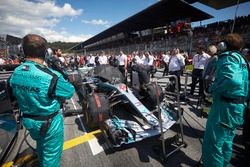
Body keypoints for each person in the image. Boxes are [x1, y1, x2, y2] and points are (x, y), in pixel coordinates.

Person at [10, 34, 75, 167]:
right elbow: (69, 91)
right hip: (49, 123)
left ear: (23, 50)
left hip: (28, 121)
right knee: (51, 158)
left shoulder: (15, 72)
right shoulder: (52, 76)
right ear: (46, 53)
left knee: (40, 146)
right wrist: (58, 72)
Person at [202, 33, 249, 167]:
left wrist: (212, 89)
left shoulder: (228, 57)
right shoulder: (242, 60)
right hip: (237, 107)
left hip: (225, 108)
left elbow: (232, 80)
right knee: (226, 141)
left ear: (223, 45)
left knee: (213, 144)